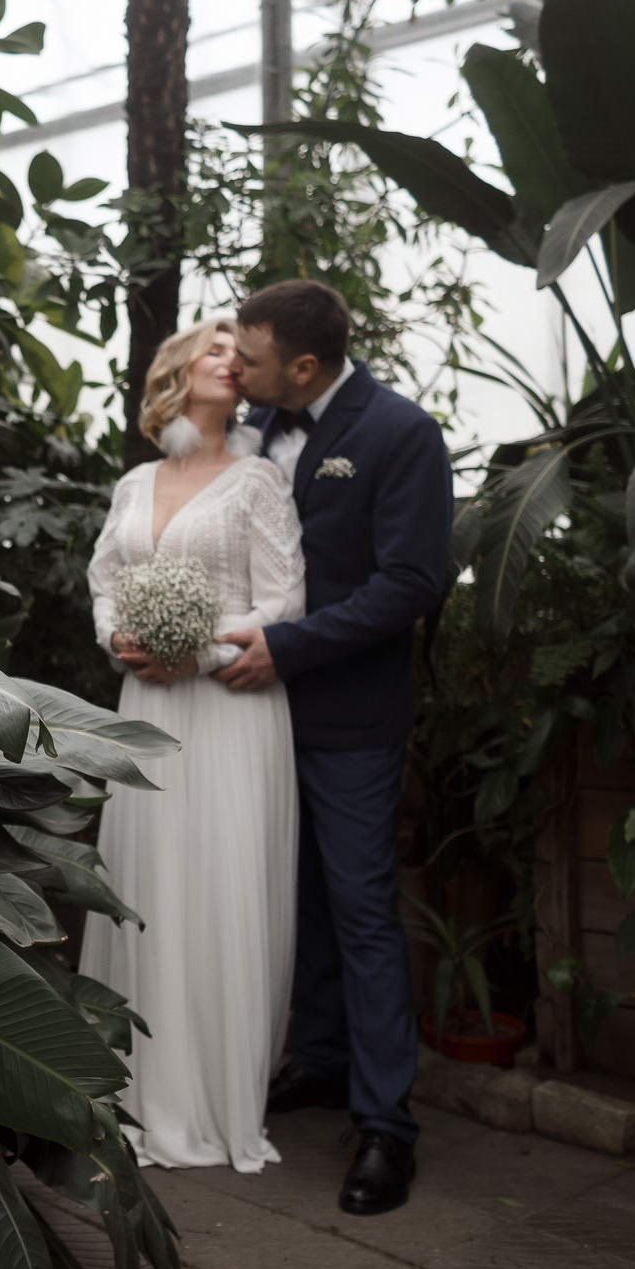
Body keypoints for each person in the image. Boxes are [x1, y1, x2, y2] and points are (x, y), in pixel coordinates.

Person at [211, 278, 453, 1217]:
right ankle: (317, 1061)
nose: (238, 367)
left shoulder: (401, 434)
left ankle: (387, 1123)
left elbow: (412, 583)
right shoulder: (254, 430)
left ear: (304, 367)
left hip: (349, 716)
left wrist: (289, 648)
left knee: (359, 907)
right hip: (257, 715)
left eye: (256, 357)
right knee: (294, 896)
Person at [80, 316, 306, 1173]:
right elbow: (106, 582)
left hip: (229, 709)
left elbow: (284, 600)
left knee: (220, 889)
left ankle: (213, 1101)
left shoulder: (259, 480)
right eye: (213, 349)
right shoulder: (136, 483)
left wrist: (200, 648)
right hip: (146, 704)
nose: (230, 361)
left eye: (236, 354)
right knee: (147, 887)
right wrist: (121, 643)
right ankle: (135, 1086)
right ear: (177, 372)